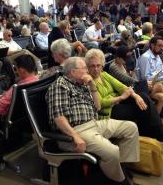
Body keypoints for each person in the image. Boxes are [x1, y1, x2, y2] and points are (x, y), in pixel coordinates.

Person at [46, 56, 140, 184]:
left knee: (131, 128)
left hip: (94, 123)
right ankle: (120, 181)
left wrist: (91, 84)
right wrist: (75, 137)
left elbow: (98, 106)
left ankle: (119, 168)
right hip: (76, 130)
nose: (87, 71)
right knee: (112, 151)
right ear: (73, 71)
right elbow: (58, 117)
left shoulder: (83, 83)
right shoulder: (60, 85)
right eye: (84, 68)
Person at [86, 49, 163, 144]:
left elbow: (122, 87)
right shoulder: (89, 81)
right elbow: (101, 103)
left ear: (102, 65)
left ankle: (156, 133)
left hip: (117, 104)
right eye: (92, 66)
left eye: (98, 65)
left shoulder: (104, 75)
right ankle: (157, 133)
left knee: (142, 97)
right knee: (141, 108)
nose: (96, 69)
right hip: (107, 112)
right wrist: (120, 97)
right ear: (87, 67)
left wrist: (135, 96)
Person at [109, 46, 163, 114]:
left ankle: (154, 121)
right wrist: (143, 83)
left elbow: (129, 78)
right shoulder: (113, 67)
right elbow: (127, 79)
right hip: (127, 92)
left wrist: (133, 74)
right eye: (126, 57)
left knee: (161, 96)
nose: (128, 59)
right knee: (159, 86)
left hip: (133, 88)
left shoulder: (122, 64)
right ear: (118, 57)